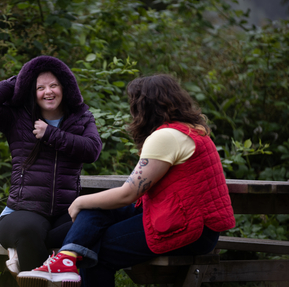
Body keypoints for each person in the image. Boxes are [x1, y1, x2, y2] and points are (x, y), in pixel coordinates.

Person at [16, 74, 236, 287]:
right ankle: (65, 258)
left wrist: (79, 202)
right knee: (96, 210)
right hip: (186, 220)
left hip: (190, 229)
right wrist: (88, 204)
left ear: (144, 106)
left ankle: (59, 255)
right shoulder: (191, 130)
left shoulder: (166, 136)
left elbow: (129, 194)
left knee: (94, 250)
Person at [0, 55, 102, 277]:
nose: (48, 92)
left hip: (64, 213)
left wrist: (51, 134)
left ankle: (19, 264)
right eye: (40, 87)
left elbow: (92, 150)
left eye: (54, 85)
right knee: (30, 232)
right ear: (31, 91)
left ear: (65, 87)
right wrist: (25, 75)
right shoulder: (17, 118)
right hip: (21, 212)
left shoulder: (81, 117)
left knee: (91, 228)